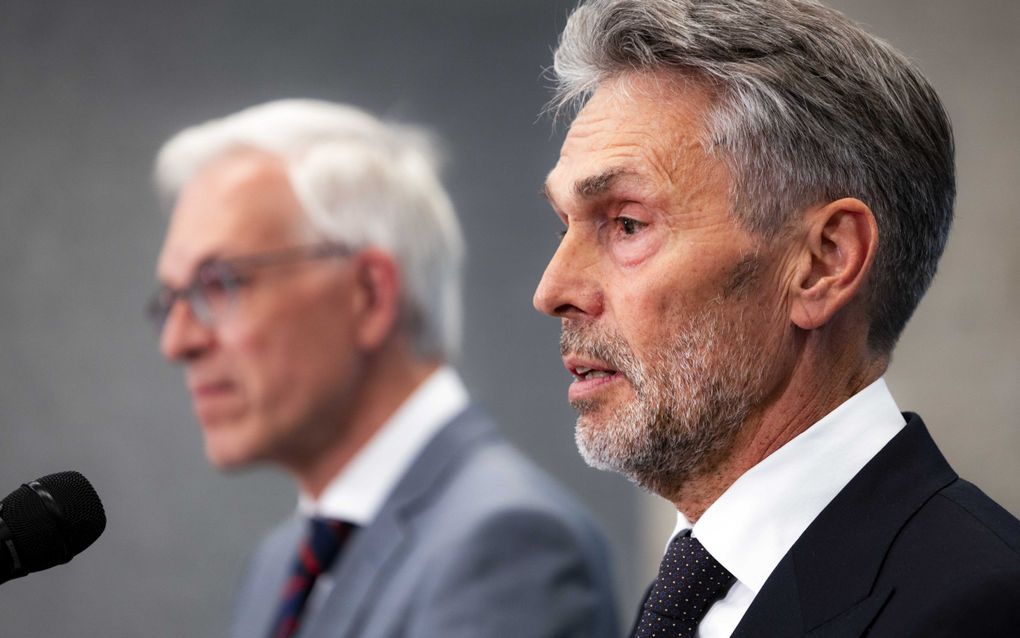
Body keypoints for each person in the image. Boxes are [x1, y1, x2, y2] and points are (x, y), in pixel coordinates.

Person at [532, 1, 1020, 636]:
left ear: (822, 264)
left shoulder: (980, 608)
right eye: (563, 224)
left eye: (627, 223)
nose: (552, 289)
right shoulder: (691, 590)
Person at [150, 99, 618, 638]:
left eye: (219, 284)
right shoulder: (275, 566)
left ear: (369, 294)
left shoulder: (506, 544)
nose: (177, 340)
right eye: (171, 299)